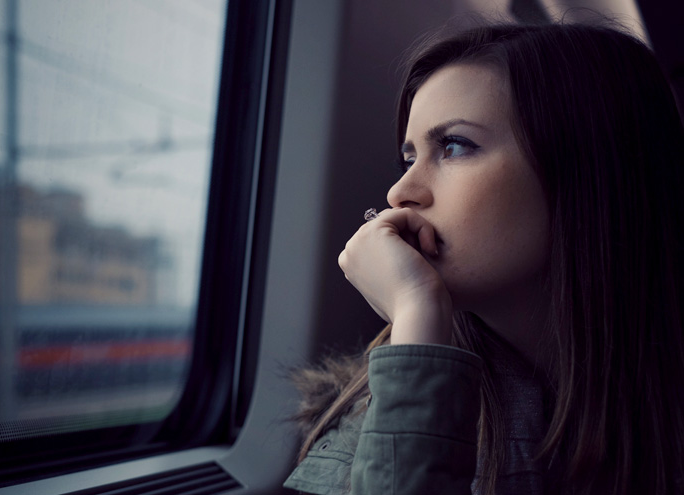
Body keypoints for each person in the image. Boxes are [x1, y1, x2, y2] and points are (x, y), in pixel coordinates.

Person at [282, 22, 684, 495]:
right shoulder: (371, 410)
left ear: (590, 171)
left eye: (453, 146)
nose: (399, 192)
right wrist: (418, 318)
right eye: (408, 159)